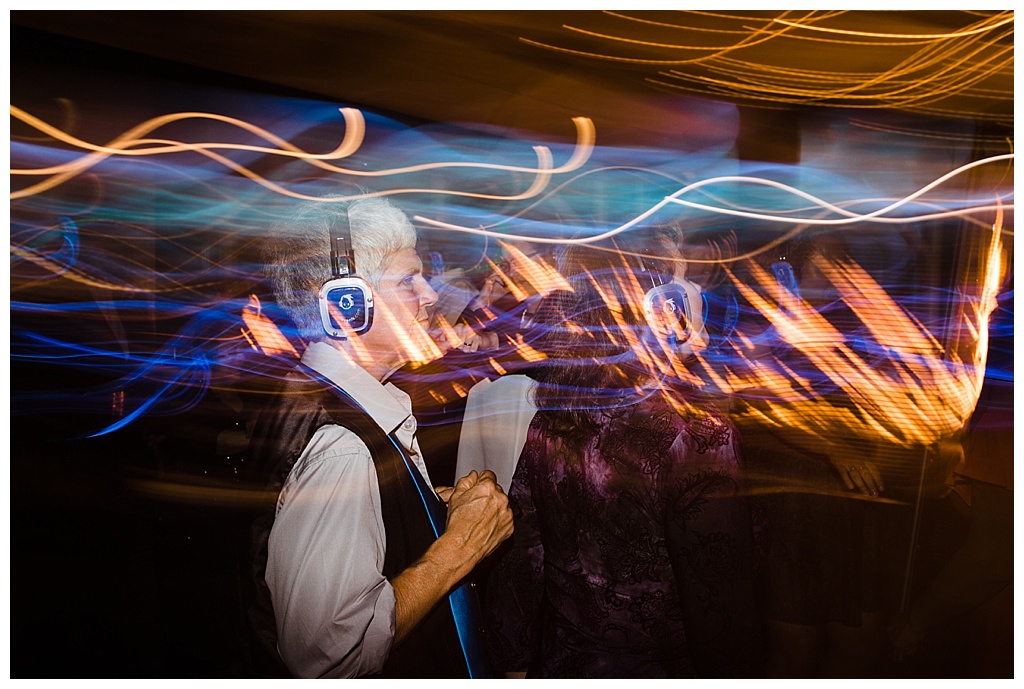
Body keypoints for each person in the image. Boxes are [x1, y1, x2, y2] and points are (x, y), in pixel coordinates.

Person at [244, 195, 513, 678]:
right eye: (408, 280)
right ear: (346, 306)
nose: (430, 295)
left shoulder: (319, 396)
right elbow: (329, 660)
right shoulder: (342, 449)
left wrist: (424, 509)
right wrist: (460, 547)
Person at [483, 238, 763, 678]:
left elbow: (522, 559)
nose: (692, 293)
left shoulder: (557, 415)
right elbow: (720, 610)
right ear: (649, 308)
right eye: (680, 283)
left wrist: (514, 666)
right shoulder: (698, 437)